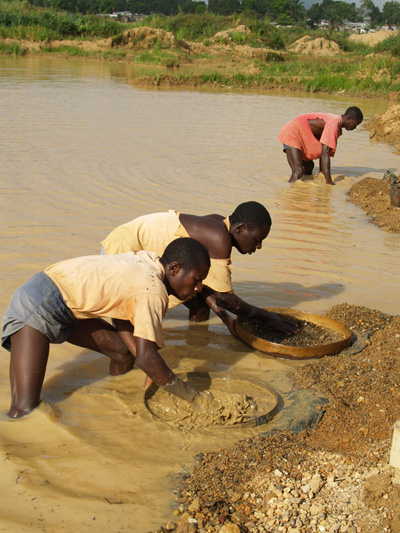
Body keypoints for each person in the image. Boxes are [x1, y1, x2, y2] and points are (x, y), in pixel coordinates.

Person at [1, 238, 211, 418]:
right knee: (24, 408)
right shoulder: (152, 291)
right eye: (196, 279)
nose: (198, 288)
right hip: (37, 302)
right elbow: (146, 358)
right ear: (174, 269)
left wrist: (150, 367)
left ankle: (115, 397)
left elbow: (121, 317)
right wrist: (194, 398)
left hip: (67, 304)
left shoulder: (150, 260)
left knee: (122, 352)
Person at [101, 201, 297, 336]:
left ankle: (196, 342)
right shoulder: (220, 239)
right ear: (239, 229)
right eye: (257, 240)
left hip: (136, 244)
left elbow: (207, 289)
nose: (258, 247)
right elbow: (226, 298)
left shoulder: (218, 223)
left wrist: (225, 318)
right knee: (132, 325)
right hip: (122, 253)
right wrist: (266, 316)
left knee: (199, 304)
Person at [278, 107, 363, 185]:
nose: (355, 127)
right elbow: (325, 153)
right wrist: (329, 181)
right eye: (355, 124)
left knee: (308, 167)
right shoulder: (333, 124)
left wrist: (322, 175)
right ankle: (289, 193)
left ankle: (302, 195)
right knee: (298, 171)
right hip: (292, 132)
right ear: (348, 118)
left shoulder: (336, 124)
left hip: (301, 133)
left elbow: (324, 150)